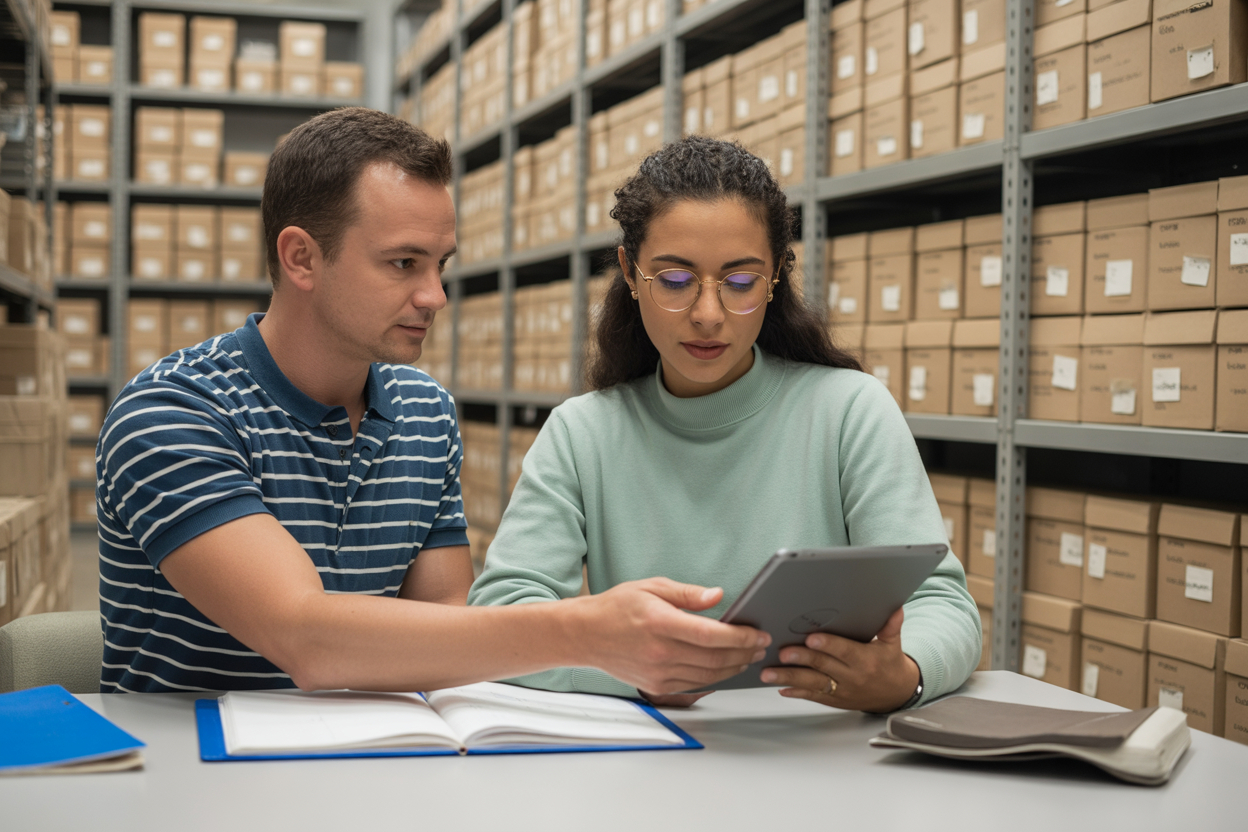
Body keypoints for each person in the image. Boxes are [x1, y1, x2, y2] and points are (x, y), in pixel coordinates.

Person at [96, 108, 769, 694]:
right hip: (193, 775)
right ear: (301, 258)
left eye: (440, 264)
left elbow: (451, 637)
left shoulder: (423, 413)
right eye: (402, 264)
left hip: (383, 766)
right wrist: (581, 630)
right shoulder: (171, 414)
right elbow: (303, 636)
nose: (435, 297)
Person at [468, 136, 981, 711]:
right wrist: (631, 671)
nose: (707, 315)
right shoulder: (581, 433)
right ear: (630, 274)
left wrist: (904, 675)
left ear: (776, 278)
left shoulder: (850, 411)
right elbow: (501, 614)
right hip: (654, 756)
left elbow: (942, 603)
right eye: (675, 281)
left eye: (739, 283)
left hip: (822, 752)